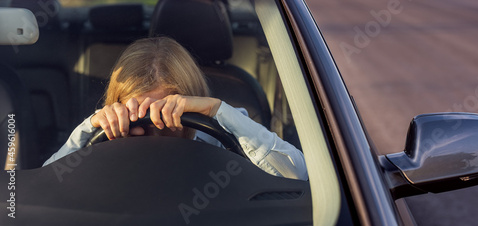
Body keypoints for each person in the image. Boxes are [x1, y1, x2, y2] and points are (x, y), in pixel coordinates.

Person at [43, 37, 308, 181]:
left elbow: (298, 175)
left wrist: (218, 112)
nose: (156, 126)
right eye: (142, 117)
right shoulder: (101, 142)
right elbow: (45, 189)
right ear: (120, 109)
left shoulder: (225, 133)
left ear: (191, 104)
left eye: (169, 111)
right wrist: (92, 128)